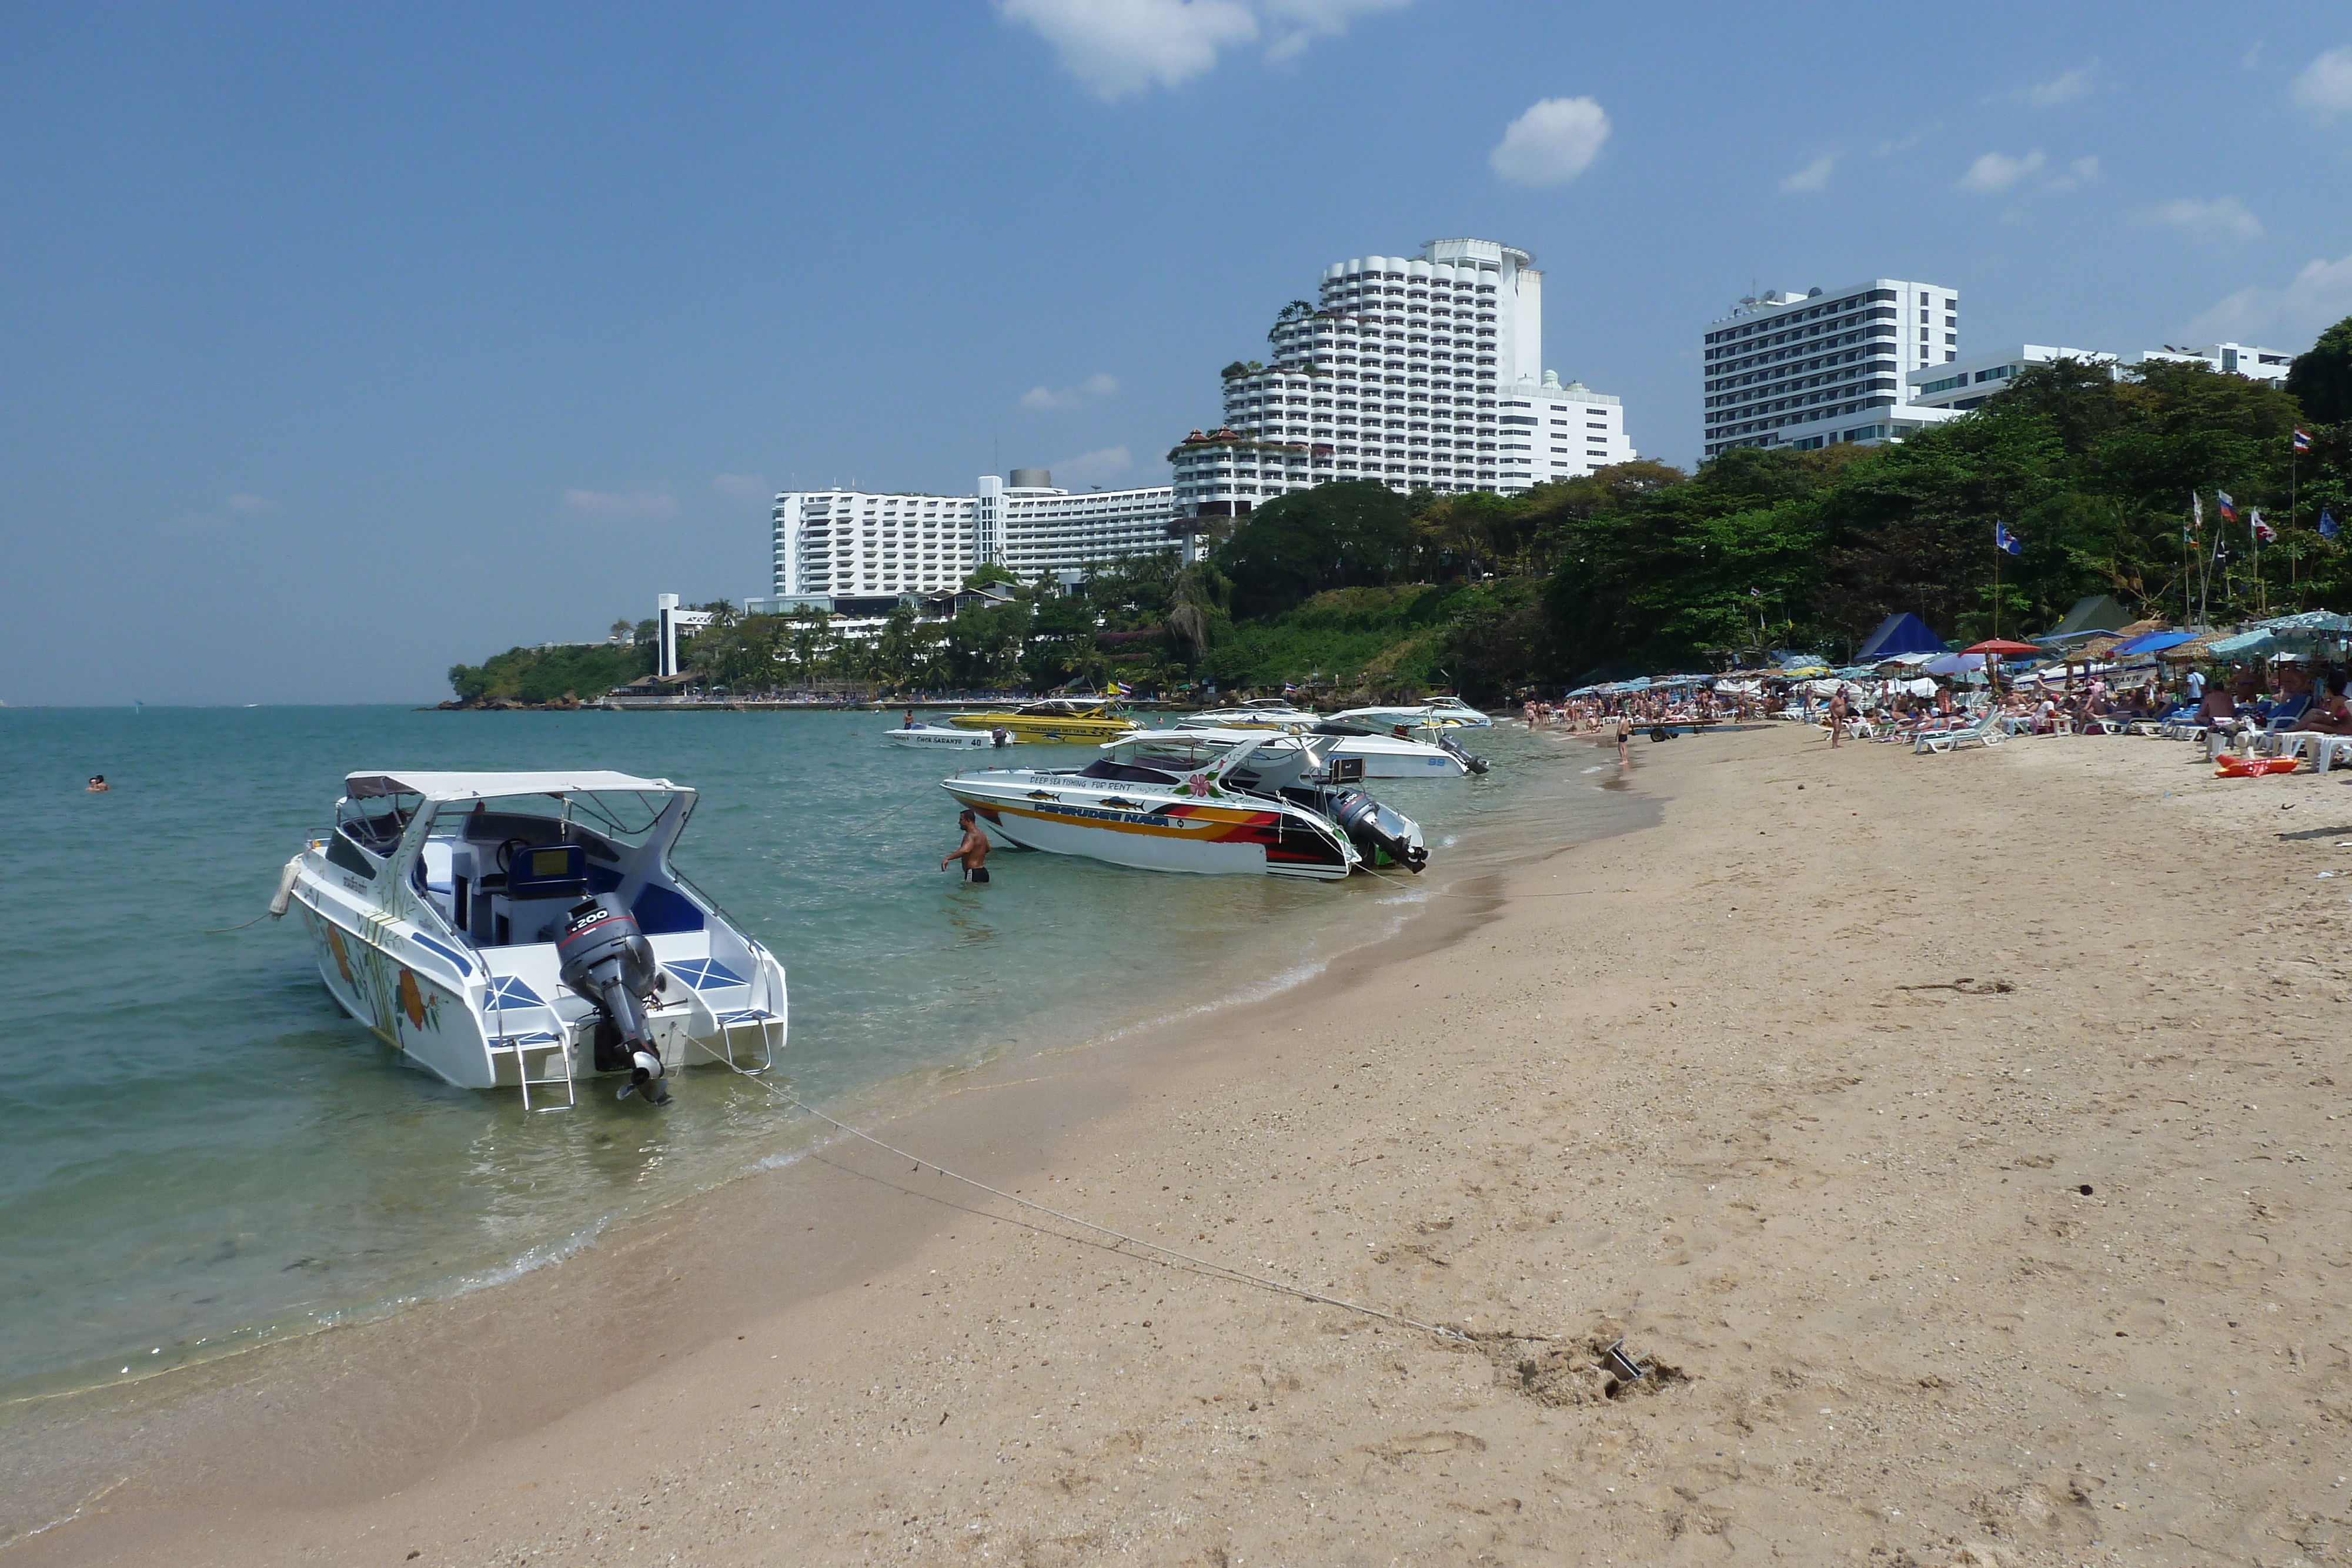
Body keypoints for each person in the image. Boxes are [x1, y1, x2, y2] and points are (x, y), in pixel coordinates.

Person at [941, 809, 991, 883]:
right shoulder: (981, 834)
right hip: (983, 872)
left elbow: (965, 850)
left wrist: (948, 858)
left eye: (961, 820)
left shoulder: (970, 835)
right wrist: (976, 854)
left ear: (968, 820)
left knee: (967, 893)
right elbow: (988, 849)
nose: (959, 822)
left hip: (973, 872)